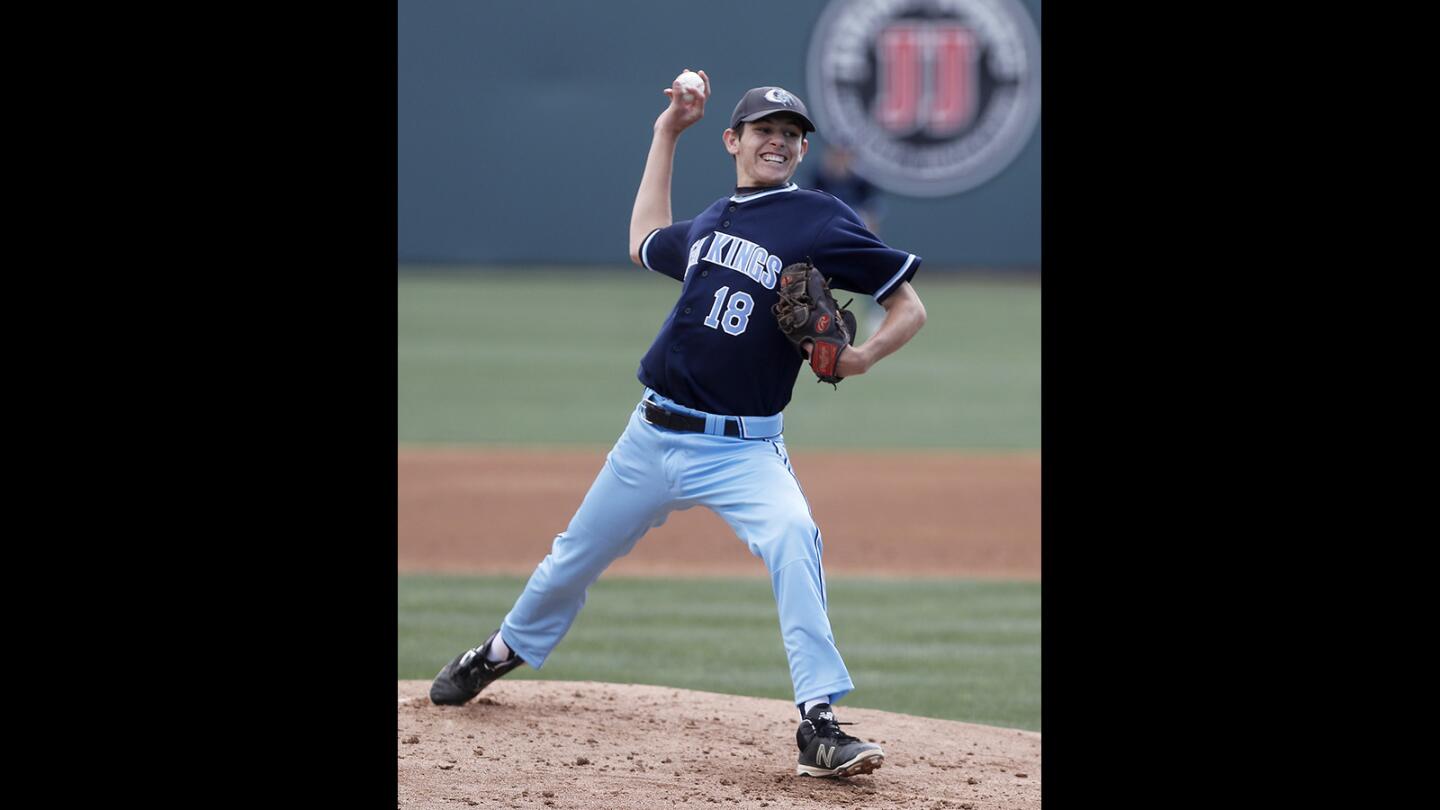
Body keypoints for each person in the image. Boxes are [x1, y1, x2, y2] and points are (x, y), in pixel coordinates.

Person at [429, 69, 927, 780]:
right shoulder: (713, 221)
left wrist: (862, 357)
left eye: (791, 135)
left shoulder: (819, 216)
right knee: (571, 559)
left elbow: (909, 305)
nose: (779, 143)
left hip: (745, 449)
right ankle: (500, 651)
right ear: (734, 141)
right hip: (651, 435)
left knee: (794, 536)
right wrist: (666, 133)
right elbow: (642, 240)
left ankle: (818, 722)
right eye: (765, 131)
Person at [809, 143, 888, 339]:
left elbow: (872, 214)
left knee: (873, 273)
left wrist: (869, 239)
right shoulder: (820, 177)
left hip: (855, 235)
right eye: (837, 154)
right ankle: (813, 315)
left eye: (845, 155)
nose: (841, 159)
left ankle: (875, 314)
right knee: (811, 276)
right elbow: (809, 208)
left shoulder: (860, 181)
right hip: (825, 236)